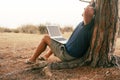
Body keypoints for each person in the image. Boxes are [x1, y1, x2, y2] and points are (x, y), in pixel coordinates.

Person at [26, 4, 95, 64]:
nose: (83, 10)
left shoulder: (87, 25)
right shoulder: (84, 24)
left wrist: (89, 5)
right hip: (70, 52)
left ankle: (32, 59)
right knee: (58, 41)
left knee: (45, 37)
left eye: (84, 9)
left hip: (67, 55)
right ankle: (46, 56)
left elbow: (88, 10)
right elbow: (87, 12)